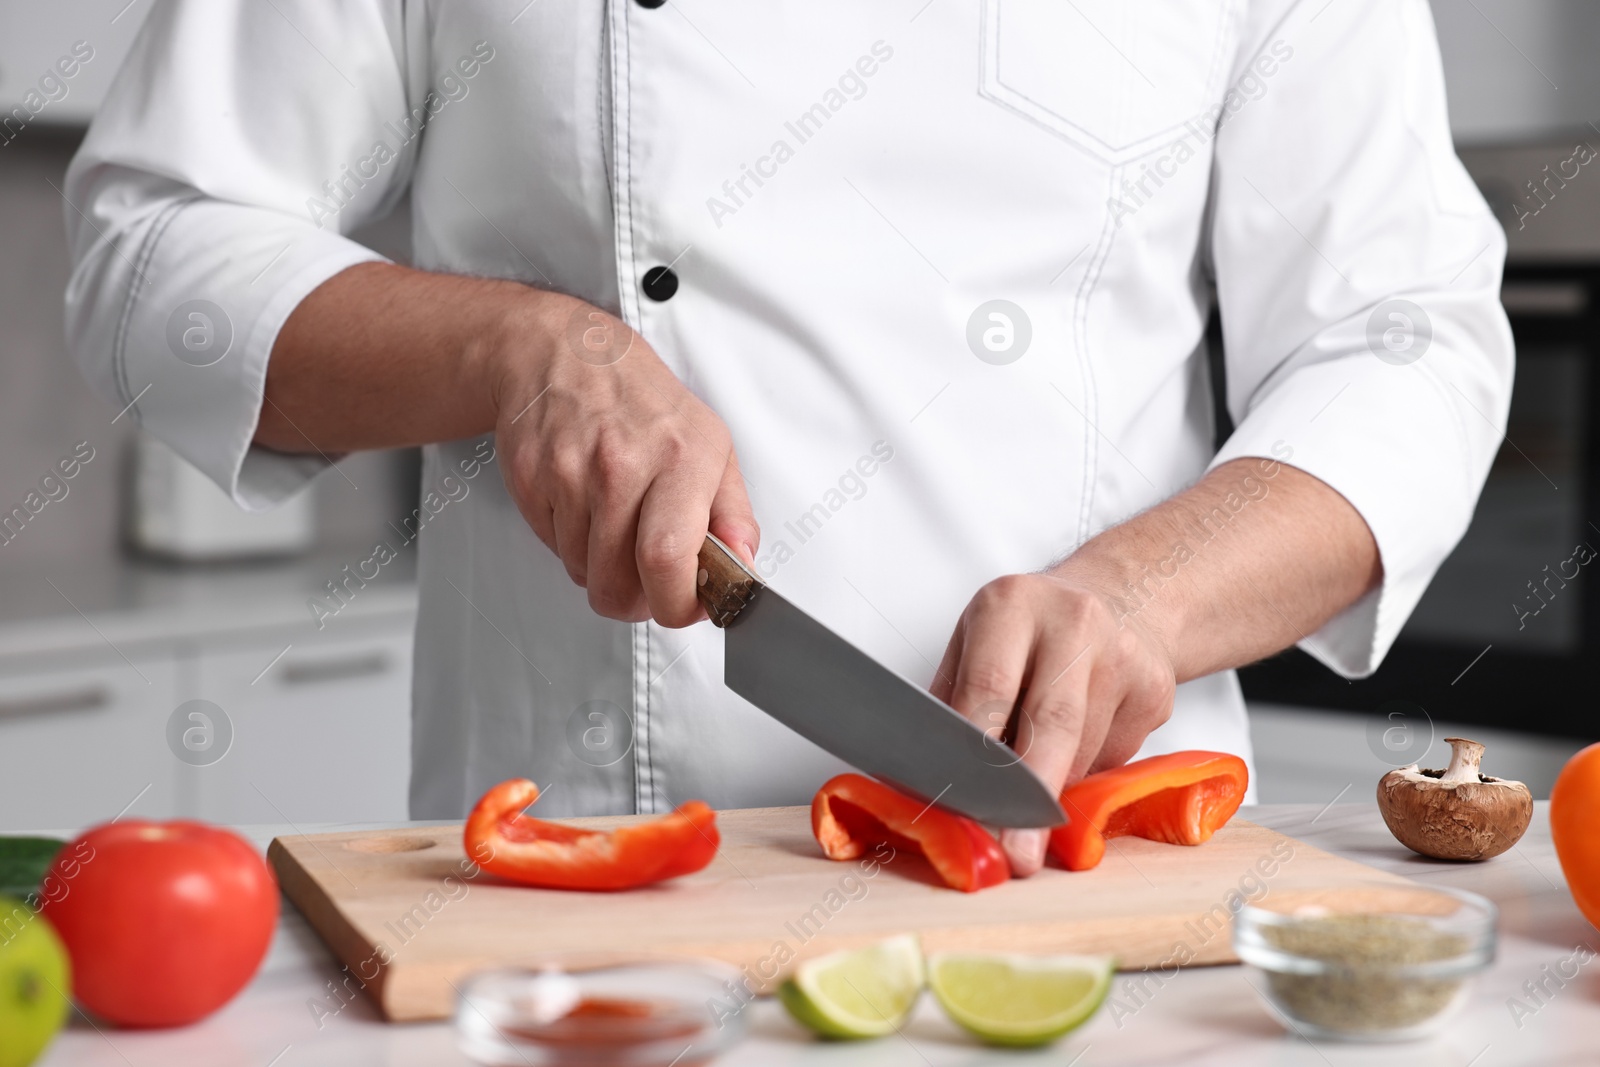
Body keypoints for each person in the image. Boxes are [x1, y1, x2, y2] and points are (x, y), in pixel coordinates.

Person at [63, 0, 1511, 876]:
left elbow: (1406, 336)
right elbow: (154, 248)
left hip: (1092, 877)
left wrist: (1148, 596)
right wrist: (525, 350)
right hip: (591, 901)